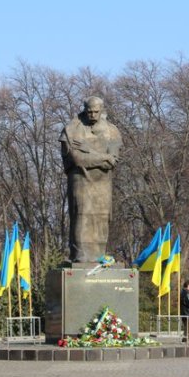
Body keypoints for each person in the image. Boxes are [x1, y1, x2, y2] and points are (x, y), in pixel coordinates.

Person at [59, 96, 123, 262]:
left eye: (96, 112)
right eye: (89, 112)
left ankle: (98, 257)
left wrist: (90, 151)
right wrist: (104, 158)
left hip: (103, 183)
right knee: (82, 214)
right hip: (81, 181)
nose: (92, 115)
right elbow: (78, 159)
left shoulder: (112, 130)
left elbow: (113, 161)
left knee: (102, 217)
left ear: (101, 111)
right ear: (84, 109)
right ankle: (80, 255)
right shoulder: (72, 129)